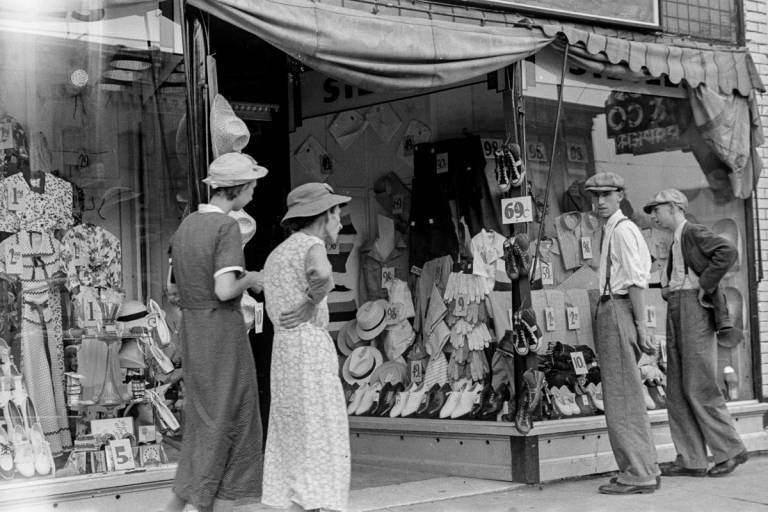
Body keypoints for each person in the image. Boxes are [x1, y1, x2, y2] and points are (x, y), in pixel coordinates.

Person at [162, 152, 268, 512]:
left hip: (193, 331)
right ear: (237, 189)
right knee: (233, 418)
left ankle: (183, 504)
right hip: (221, 331)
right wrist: (251, 278)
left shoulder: (186, 225)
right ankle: (213, 503)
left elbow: (173, 287)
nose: (253, 191)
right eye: (251, 185)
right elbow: (225, 289)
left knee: (205, 420)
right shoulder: (226, 228)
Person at [261, 182, 352, 512]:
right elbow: (321, 272)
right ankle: (317, 503)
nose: (340, 222)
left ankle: (301, 503)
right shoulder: (312, 244)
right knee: (320, 430)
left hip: (284, 352)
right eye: (337, 214)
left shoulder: (276, 254)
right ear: (324, 215)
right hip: (309, 347)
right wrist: (313, 301)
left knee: (295, 434)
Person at [645, 189, 748, 478]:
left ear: (675, 207)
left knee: (699, 383)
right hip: (678, 305)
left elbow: (727, 251)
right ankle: (690, 458)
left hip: (693, 307)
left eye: (658, 208)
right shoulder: (676, 237)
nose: (654, 214)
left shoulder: (692, 231)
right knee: (677, 388)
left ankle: (730, 450)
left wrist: (706, 281)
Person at [585, 172, 660, 495]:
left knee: (622, 396)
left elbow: (635, 281)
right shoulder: (612, 229)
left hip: (618, 307)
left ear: (620, 195)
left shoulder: (623, 230)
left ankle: (638, 471)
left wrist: (643, 325)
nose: (599, 201)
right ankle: (644, 466)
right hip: (612, 307)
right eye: (595, 196)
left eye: (606, 194)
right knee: (623, 392)